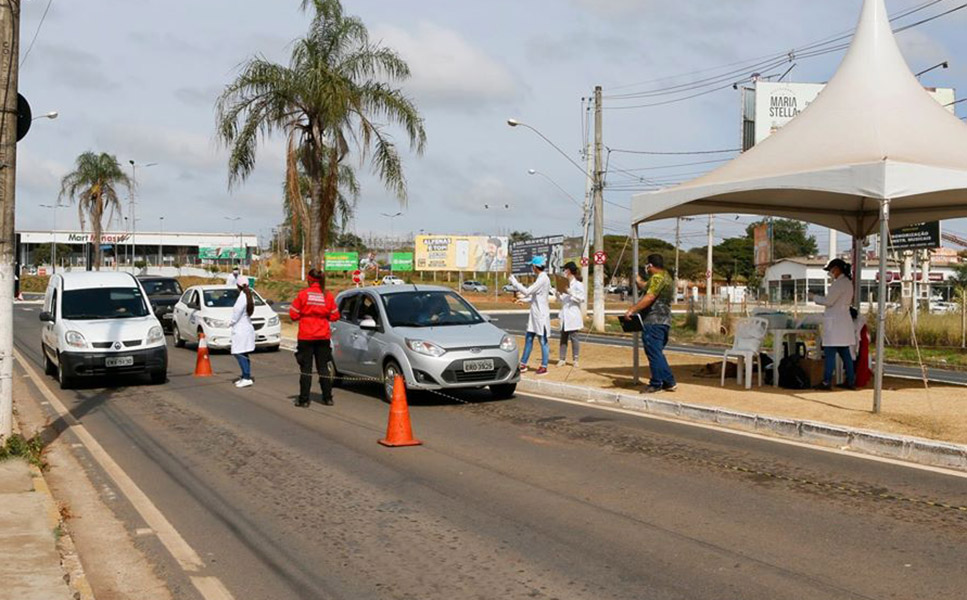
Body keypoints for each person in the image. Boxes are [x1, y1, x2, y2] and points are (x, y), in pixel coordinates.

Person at [625, 254, 676, 393]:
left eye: (647, 266)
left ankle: (656, 383)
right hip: (664, 321)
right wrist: (638, 280)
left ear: (650, 266)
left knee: (653, 353)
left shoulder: (657, 278)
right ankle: (669, 381)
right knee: (657, 353)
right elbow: (646, 287)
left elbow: (650, 296)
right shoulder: (666, 277)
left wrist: (632, 309)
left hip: (653, 321)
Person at [289, 268, 341, 407]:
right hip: (323, 336)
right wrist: (323, 316)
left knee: (306, 369)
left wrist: (305, 316)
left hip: (306, 336)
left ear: (309, 279)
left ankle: (304, 400)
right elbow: (335, 315)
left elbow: (293, 315)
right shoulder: (328, 296)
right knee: (323, 368)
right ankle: (327, 398)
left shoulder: (303, 295)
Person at [810, 258, 856, 390]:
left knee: (830, 353)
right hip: (843, 322)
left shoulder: (838, 284)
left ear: (836, 269)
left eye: (831, 270)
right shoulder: (848, 283)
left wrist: (814, 297)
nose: (830, 273)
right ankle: (851, 380)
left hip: (835, 323)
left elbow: (829, 301)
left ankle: (826, 381)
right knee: (845, 354)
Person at [509, 256, 551, 375]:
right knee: (528, 338)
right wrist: (521, 300)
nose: (531, 268)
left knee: (543, 340)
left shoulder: (543, 279)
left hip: (541, 315)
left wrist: (515, 283)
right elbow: (533, 297)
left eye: (531, 266)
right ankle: (523, 364)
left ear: (534, 267)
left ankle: (544, 366)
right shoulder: (540, 278)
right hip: (535, 314)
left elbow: (527, 291)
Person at [555, 261, 585, 367]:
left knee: (574, 337)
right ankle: (562, 359)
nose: (564, 272)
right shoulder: (564, 283)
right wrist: (558, 294)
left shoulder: (578, 284)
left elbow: (582, 299)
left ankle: (575, 359)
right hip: (564, 313)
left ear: (568, 271)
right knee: (563, 337)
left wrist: (570, 292)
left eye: (565, 269)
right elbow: (561, 300)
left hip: (573, 314)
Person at [230, 279, 256, 389]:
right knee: (243, 353)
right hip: (246, 328)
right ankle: (246, 375)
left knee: (239, 353)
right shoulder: (249, 295)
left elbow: (237, 313)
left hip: (241, 329)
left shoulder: (242, 298)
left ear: (238, 286)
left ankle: (246, 378)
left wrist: (230, 323)